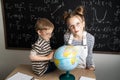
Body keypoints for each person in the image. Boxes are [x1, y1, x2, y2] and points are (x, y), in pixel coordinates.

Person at [63, 6, 95, 70]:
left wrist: (90, 66)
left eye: (78, 24)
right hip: (70, 68)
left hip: (84, 68)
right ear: (69, 28)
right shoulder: (66, 37)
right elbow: (66, 54)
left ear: (83, 24)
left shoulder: (90, 38)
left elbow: (89, 55)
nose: (75, 28)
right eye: (72, 26)